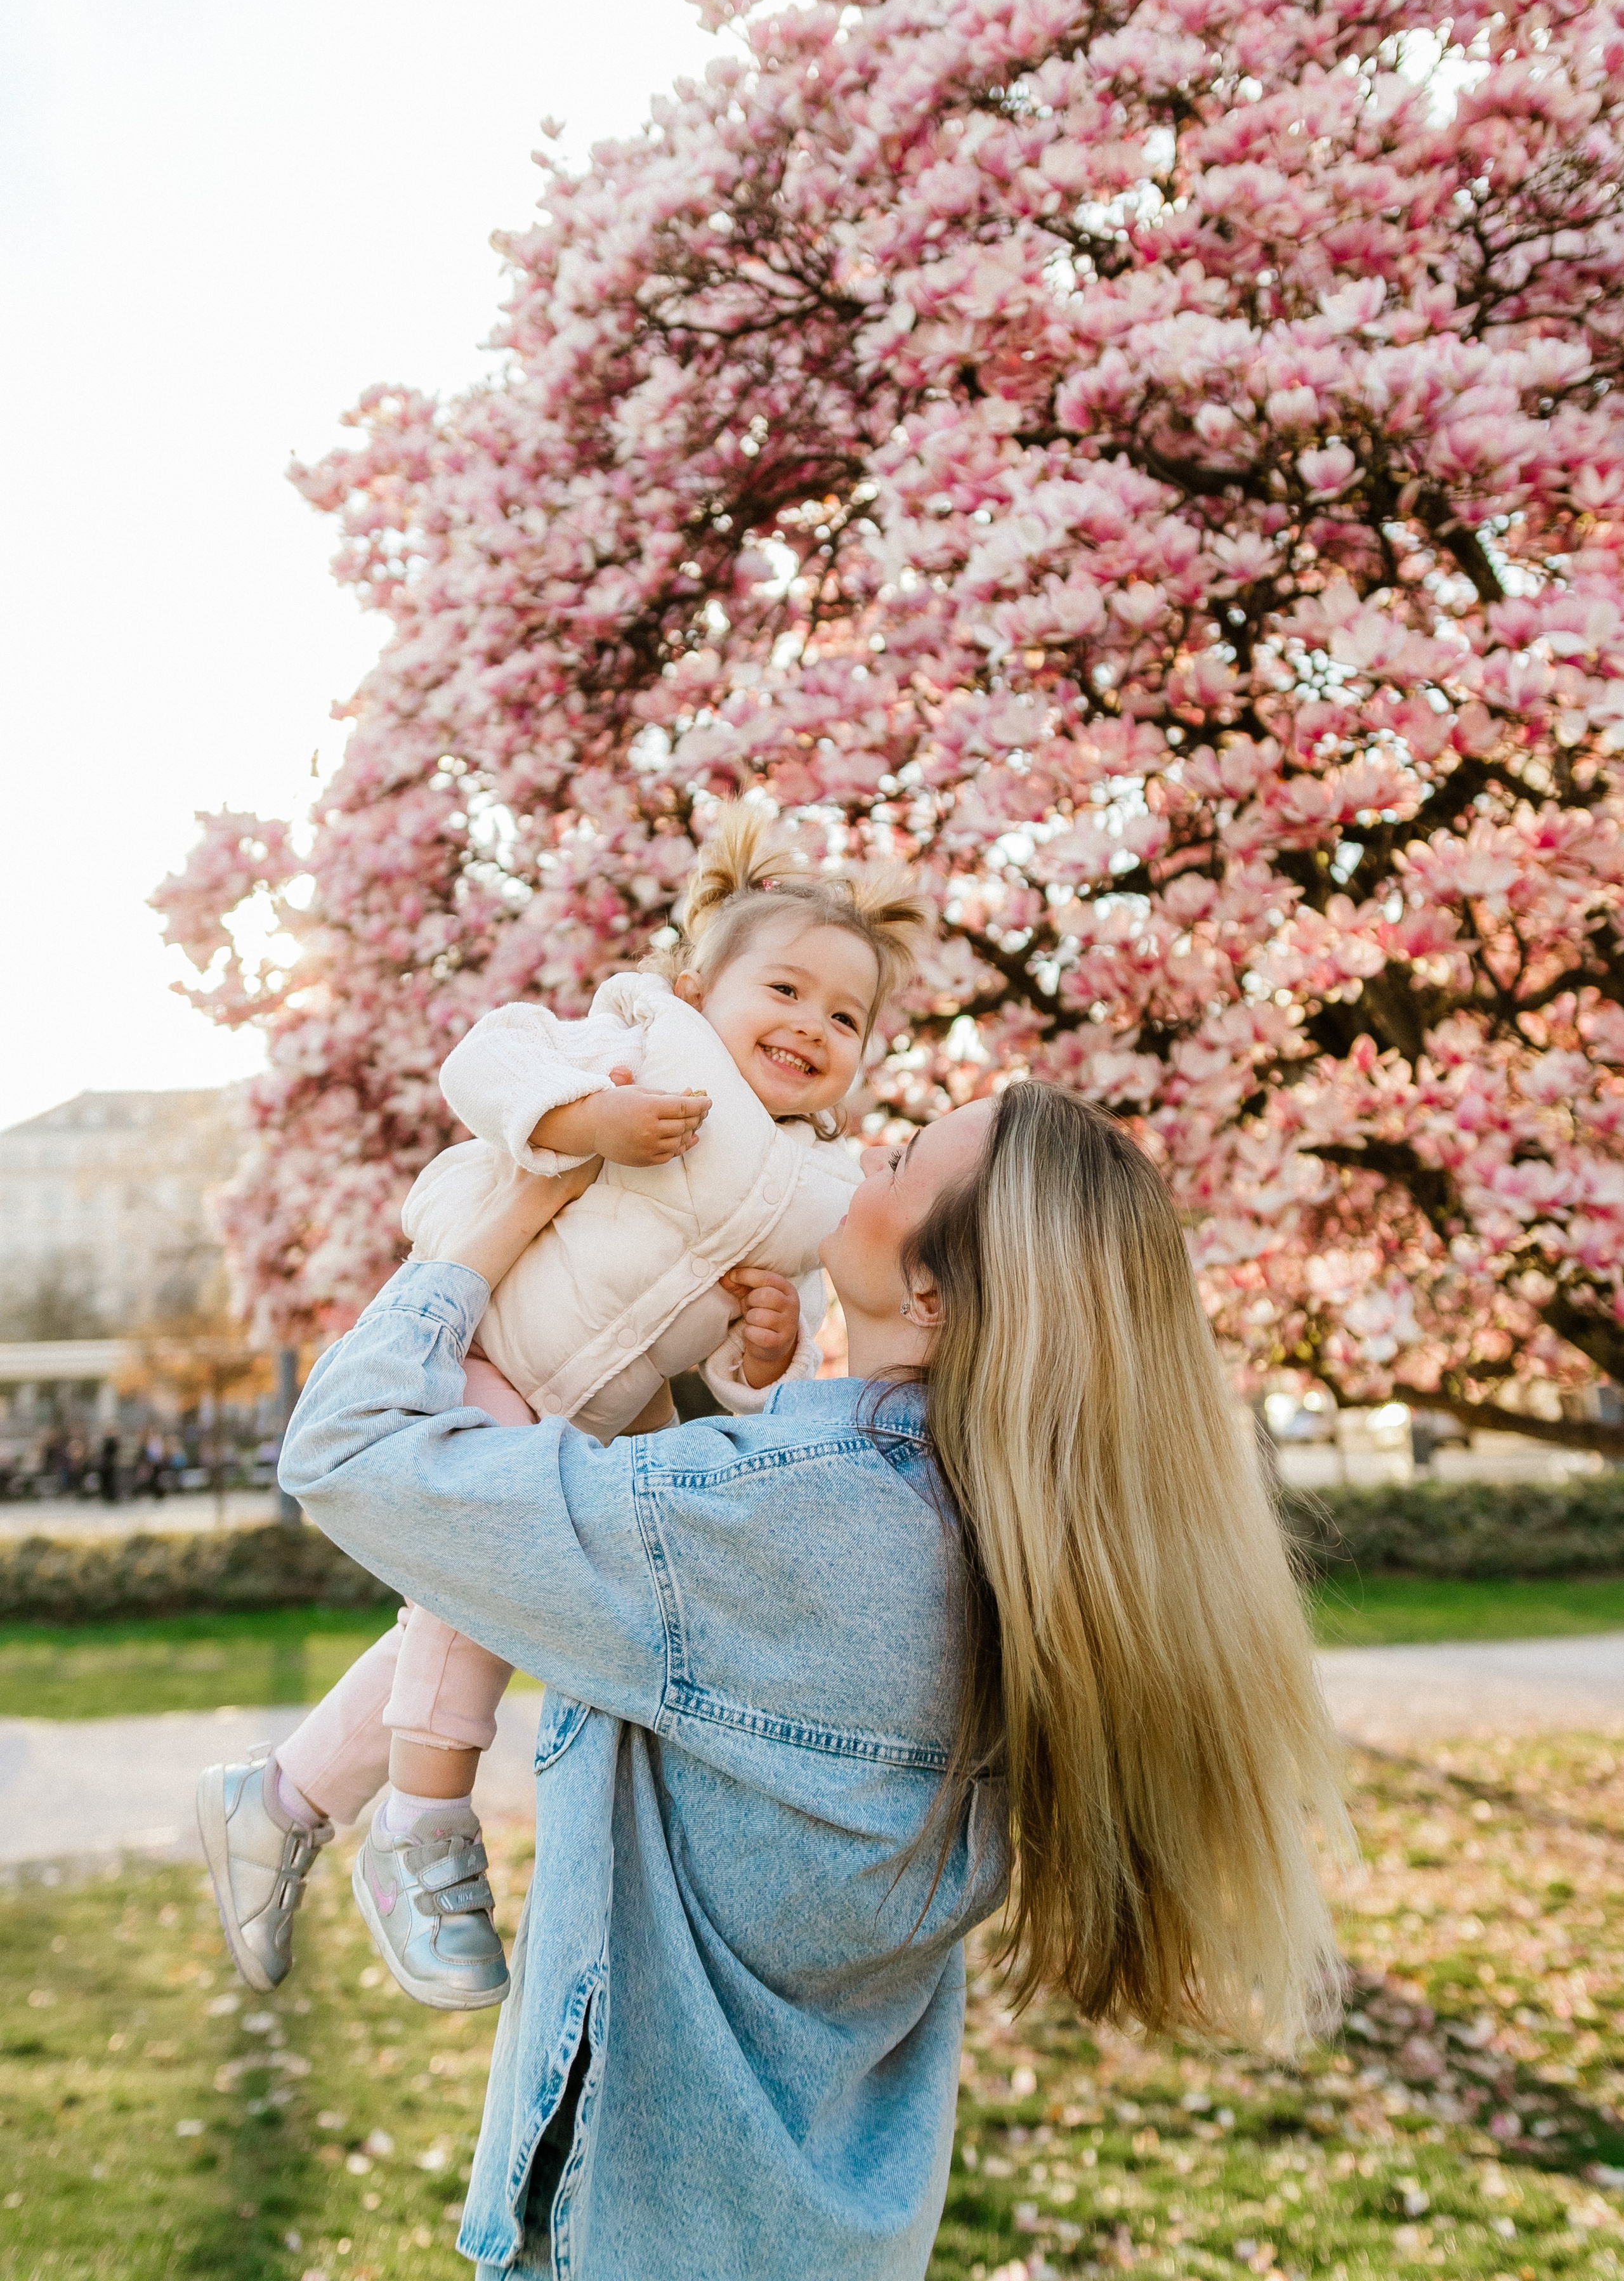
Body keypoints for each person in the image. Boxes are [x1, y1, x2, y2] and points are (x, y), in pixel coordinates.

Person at [265, 1078, 1344, 2280]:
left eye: (906, 1161)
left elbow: (349, 1448)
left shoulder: (785, 1519)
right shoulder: (1013, 1548)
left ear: (930, 1291)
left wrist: (505, 1213)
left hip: (635, 2237)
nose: (869, 1151)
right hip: (841, 2231)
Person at [197, 808, 926, 2011]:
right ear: (701, 982)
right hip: (488, 1343)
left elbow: (741, 1374)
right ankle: (424, 1825)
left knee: (475, 1604)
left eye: (844, 1017)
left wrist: (766, 1346)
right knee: (487, 1567)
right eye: (785, 989)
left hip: (587, 1416)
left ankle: (279, 1801)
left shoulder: (816, 1186)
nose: (810, 1025)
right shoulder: (650, 1039)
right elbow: (490, 1056)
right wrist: (583, 1118)